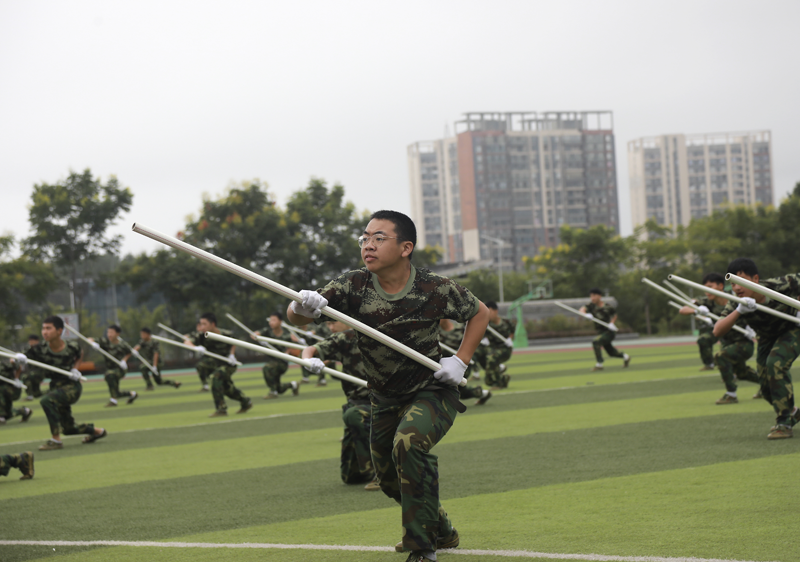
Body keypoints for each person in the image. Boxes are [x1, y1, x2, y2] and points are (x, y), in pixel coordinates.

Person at [287, 210, 489, 562]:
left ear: (405, 247)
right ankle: (440, 528)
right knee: (388, 477)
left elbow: (480, 313)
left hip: (431, 391)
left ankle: (422, 547)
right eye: (365, 237)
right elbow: (297, 315)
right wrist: (303, 305)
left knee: (408, 445)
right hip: (382, 396)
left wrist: (460, 360)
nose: (368, 245)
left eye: (379, 238)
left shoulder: (434, 288)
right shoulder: (352, 285)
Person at [714, 258, 800, 439]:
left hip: (793, 329)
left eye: (741, 281)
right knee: (766, 386)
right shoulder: (735, 301)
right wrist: (739, 311)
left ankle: (784, 423)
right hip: (766, 338)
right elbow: (717, 331)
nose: (736, 288)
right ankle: (793, 412)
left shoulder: (780, 284)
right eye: (733, 283)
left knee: (775, 364)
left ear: (755, 279)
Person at [303, 319, 379, 489]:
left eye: (333, 323)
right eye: (327, 324)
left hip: (384, 402)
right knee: (350, 476)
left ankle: (382, 473)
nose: (331, 327)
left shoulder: (383, 334)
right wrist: (308, 360)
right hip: (357, 403)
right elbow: (310, 349)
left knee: (354, 415)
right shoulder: (345, 339)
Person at [22, 315, 106, 450]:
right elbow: (19, 357)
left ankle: (56, 441)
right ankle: (98, 431)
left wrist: (75, 368)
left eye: (49, 328)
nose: (45, 332)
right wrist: (19, 359)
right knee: (68, 429)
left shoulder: (71, 347)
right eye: (43, 328)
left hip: (72, 387)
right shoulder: (38, 349)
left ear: (59, 331)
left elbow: (80, 354)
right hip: (56, 387)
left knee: (46, 400)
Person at [184, 312, 252, 417]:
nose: (202, 327)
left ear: (213, 324)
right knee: (226, 388)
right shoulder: (202, 335)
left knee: (216, 378)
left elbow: (234, 342)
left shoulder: (225, 334)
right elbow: (187, 341)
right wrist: (195, 348)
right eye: (200, 324)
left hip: (228, 364)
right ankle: (245, 402)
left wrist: (232, 355)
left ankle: (221, 409)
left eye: (204, 324)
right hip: (214, 364)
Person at [677, 273, 727, 371]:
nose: (707, 291)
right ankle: (709, 364)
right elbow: (683, 310)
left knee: (726, 352)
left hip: (734, 331)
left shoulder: (733, 298)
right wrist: (696, 310)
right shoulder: (706, 301)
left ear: (721, 286)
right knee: (703, 339)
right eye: (705, 288)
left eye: (710, 287)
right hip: (717, 330)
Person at [439, 319, 491, 405]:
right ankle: (482, 393)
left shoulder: (461, 330)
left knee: (447, 385)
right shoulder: (434, 333)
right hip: (443, 365)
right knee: (461, 393)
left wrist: (467, 357)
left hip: (461, 364)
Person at [579, 288, 631, 372]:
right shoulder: (591, 306)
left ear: (599, 296)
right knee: (611, 353)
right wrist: (585, 315)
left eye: (594, 296)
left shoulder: (607, 306)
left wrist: (612, 323)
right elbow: (581, 310)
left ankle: (599, 364)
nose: (592, 298)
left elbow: (615, 315)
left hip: (609, 332)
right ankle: (626, 357)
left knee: (596, 342)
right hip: (601, 332)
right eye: (591, 296)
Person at [254, 312, 300, 399]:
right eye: (270, 320)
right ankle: (293, 385)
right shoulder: (267, 331)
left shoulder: (287, 335)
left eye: (274, 320)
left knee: (267, 369)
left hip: (282, 363)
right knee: (279, 388)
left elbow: (296, 349)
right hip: (272, 361)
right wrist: (260, 339)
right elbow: (254, 334)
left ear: (280, 322)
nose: (271, 322)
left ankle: (273, 392)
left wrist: (289, 351)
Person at [89, 325, 137, 407]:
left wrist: (124, 360)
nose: (109, 334)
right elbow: (89, 339)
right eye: (108, 332)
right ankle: (132, 394)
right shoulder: (105, 342)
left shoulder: (123, 344)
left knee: (109, 375)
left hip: (121, 369)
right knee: (116, 391)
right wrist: (93, 343)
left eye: (111, 332)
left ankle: (113, 401)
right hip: (110, 368)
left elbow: (129, 352)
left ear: (118, 334)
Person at [472, 301, 514, 390]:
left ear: (496, 311)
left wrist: (510, 339)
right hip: (491, 348)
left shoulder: (506, 322)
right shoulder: (486, 324)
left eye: (490, 312)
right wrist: (483, 339)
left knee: (491, 358)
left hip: (504, 349)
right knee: (477, 352)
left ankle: (498, 383)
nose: (488, 315)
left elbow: (512, 331)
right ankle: (501, 376)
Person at [0, 359, 32, 424]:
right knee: (7, 413)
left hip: (11, 389)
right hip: (4, 394)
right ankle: (24, 411)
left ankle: (1, 416)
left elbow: (18, 366)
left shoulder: (4, 362)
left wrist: (16, 379)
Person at [22, 334, 46, 400]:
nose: (30, 342)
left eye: (32, 340)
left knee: (30, 376)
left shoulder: (41, 348)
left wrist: (34, 348)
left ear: (37, 341)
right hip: (33, 371)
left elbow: (42, 356)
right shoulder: (28, 349)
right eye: (29, 340)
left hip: (43, 370)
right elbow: (24, 355)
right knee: (26, 378)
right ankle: (32, 394)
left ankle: (32, 395)